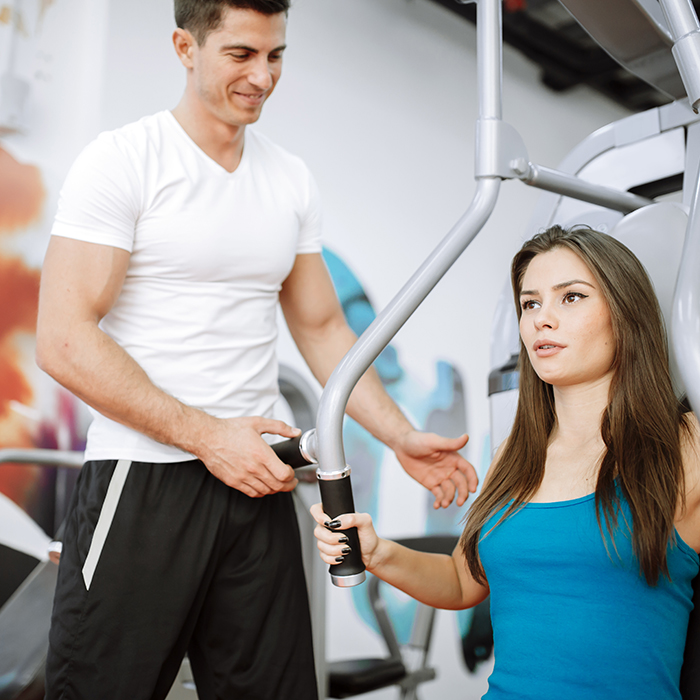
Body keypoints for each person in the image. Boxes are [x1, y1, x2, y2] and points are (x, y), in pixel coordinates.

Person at [35, 1, 478, 698]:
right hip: (146, 477)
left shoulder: (289, 180)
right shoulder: (123, 160)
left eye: (276, 56)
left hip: (257, 482)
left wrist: (398, 436)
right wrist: (208, 437)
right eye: (241, 55)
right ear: (186, 46)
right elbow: (63, 340)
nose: (263, 76)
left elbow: (324, 329)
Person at [313, 224, 700, 700]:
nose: (542, 319)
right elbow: (461, 582)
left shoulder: (683, 448)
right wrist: (376, 553)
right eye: (530, 303)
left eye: (571, 297)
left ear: (625, 312)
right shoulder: (514, 458)